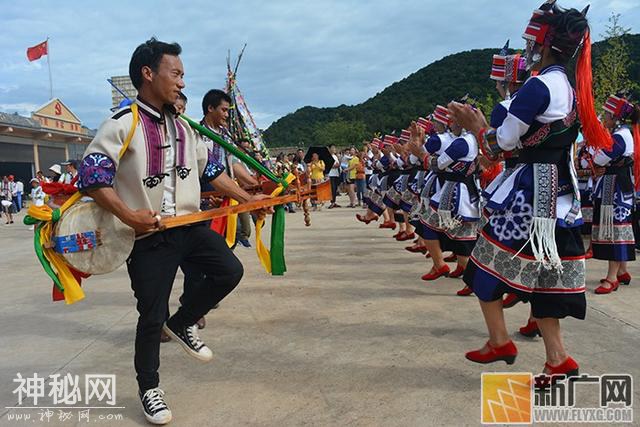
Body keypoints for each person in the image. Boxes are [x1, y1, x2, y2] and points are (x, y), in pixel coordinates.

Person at [76, 38, 270, 425]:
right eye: (175, 73)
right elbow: (92, 177)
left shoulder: (186, 127)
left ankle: (182, 322)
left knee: (229, 271)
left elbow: (211, 173)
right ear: (148, 74)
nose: (182, 82)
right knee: (150, 317)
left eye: (183, 75)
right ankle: (150, 388)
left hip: (189, 226)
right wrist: (130, 215)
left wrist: (253, 199)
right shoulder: (122, 123)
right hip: (148, 238)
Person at [449, 1, 591, 379]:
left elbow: (502, 145)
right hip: (557, 193)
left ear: (540, 44)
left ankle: (500, 340)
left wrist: (476, 124)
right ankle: (557, 359)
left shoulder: (538, 86)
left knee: (483, 268)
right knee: (544, 281)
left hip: (529, 196)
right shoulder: (572, 88)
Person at [418, 101, 480, 287]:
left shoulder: (460, 143)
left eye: (452, 120)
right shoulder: (473, 139)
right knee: (462, 234)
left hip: (454, 192)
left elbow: (438, 165)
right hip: (467, 190)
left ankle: (440, 264)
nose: (449, 123)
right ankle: (465, 271)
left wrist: (421, 154)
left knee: (427, 223)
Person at [590, 93, 640, 294]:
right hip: (619, 187)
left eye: (607, 113)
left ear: (615, 117)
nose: (604, 117)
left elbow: (599, 158)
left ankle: (612, 278)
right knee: (619, 230)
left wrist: (598, 159)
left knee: (614, 231)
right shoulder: (623, 134)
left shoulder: (619, 137)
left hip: (616, 189)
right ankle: (621, 271)